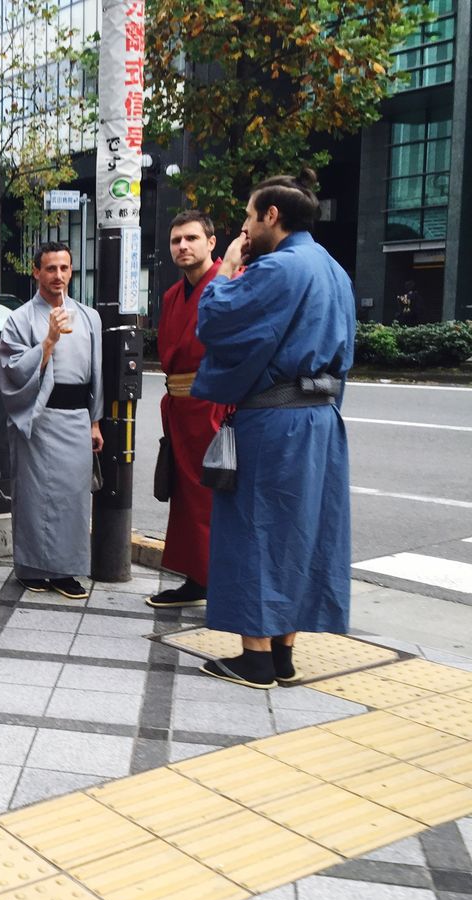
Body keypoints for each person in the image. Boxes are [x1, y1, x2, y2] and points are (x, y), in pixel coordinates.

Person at [192, 172, 354, 689]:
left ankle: (256, 658)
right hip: (321, 420)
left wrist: (228, 270)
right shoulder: (333, 269)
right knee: (301, 534)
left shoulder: (278, 267)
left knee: (255, 529)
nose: (243, 226)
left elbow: (216, 321)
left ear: (271, 216)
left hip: (275, 420)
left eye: (246, 215)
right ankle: (284, 653)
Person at [0, 242, 103, 600]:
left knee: (73, 498)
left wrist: (95, 421)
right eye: (50, 269)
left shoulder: (90, 317)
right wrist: (47, 343)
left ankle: (66, 569)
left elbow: (96, 375)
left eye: (64, 268)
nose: (57, 276)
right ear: (36, 272)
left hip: (76, 418)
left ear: (71, 270)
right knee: (34, 496)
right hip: (39, 419)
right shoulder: (20, 319)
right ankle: (31, 568)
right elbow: (12, 370)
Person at [147, 212, 229, 608]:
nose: (183, 246)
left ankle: (220, 581)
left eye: (192, 238)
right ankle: (197, 578)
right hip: (179, 407)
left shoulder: (229, 283)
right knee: (185, 498)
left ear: (211, 243)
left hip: (214, 405)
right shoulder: (170, 297)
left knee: (214, 497)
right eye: (176, 240)